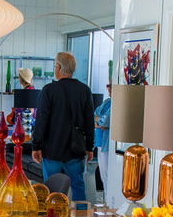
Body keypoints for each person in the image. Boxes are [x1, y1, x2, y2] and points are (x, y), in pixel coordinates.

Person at [32, 51, 94, 201]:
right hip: (75, 149)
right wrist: (89, 147)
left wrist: (36, 146)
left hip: (52, 149)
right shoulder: (84, 90)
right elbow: (89, 121)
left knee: (51, 187)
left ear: (58, 67)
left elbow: (41, 120)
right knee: (78, 186)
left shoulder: (49, 90)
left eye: (55, 66)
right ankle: (80, 214)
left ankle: (52, 214)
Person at [92, 82, 111, 200]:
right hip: (100, 143)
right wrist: (100, 121)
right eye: (108, 85)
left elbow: (104, 122)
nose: (108, 88)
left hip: (107, 144)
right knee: (103, 175)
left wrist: (100, 121)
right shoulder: (107, 102)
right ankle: (106, 201)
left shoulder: (116, 104)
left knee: (107, 175)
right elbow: (95, 117)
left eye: (111, 86)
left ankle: (109, 201)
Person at [12, 67, 36, 138]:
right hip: (26, 126)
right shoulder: (31, 89)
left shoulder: (27, 91)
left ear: (22, 78)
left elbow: (30, 110)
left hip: (25, 127)